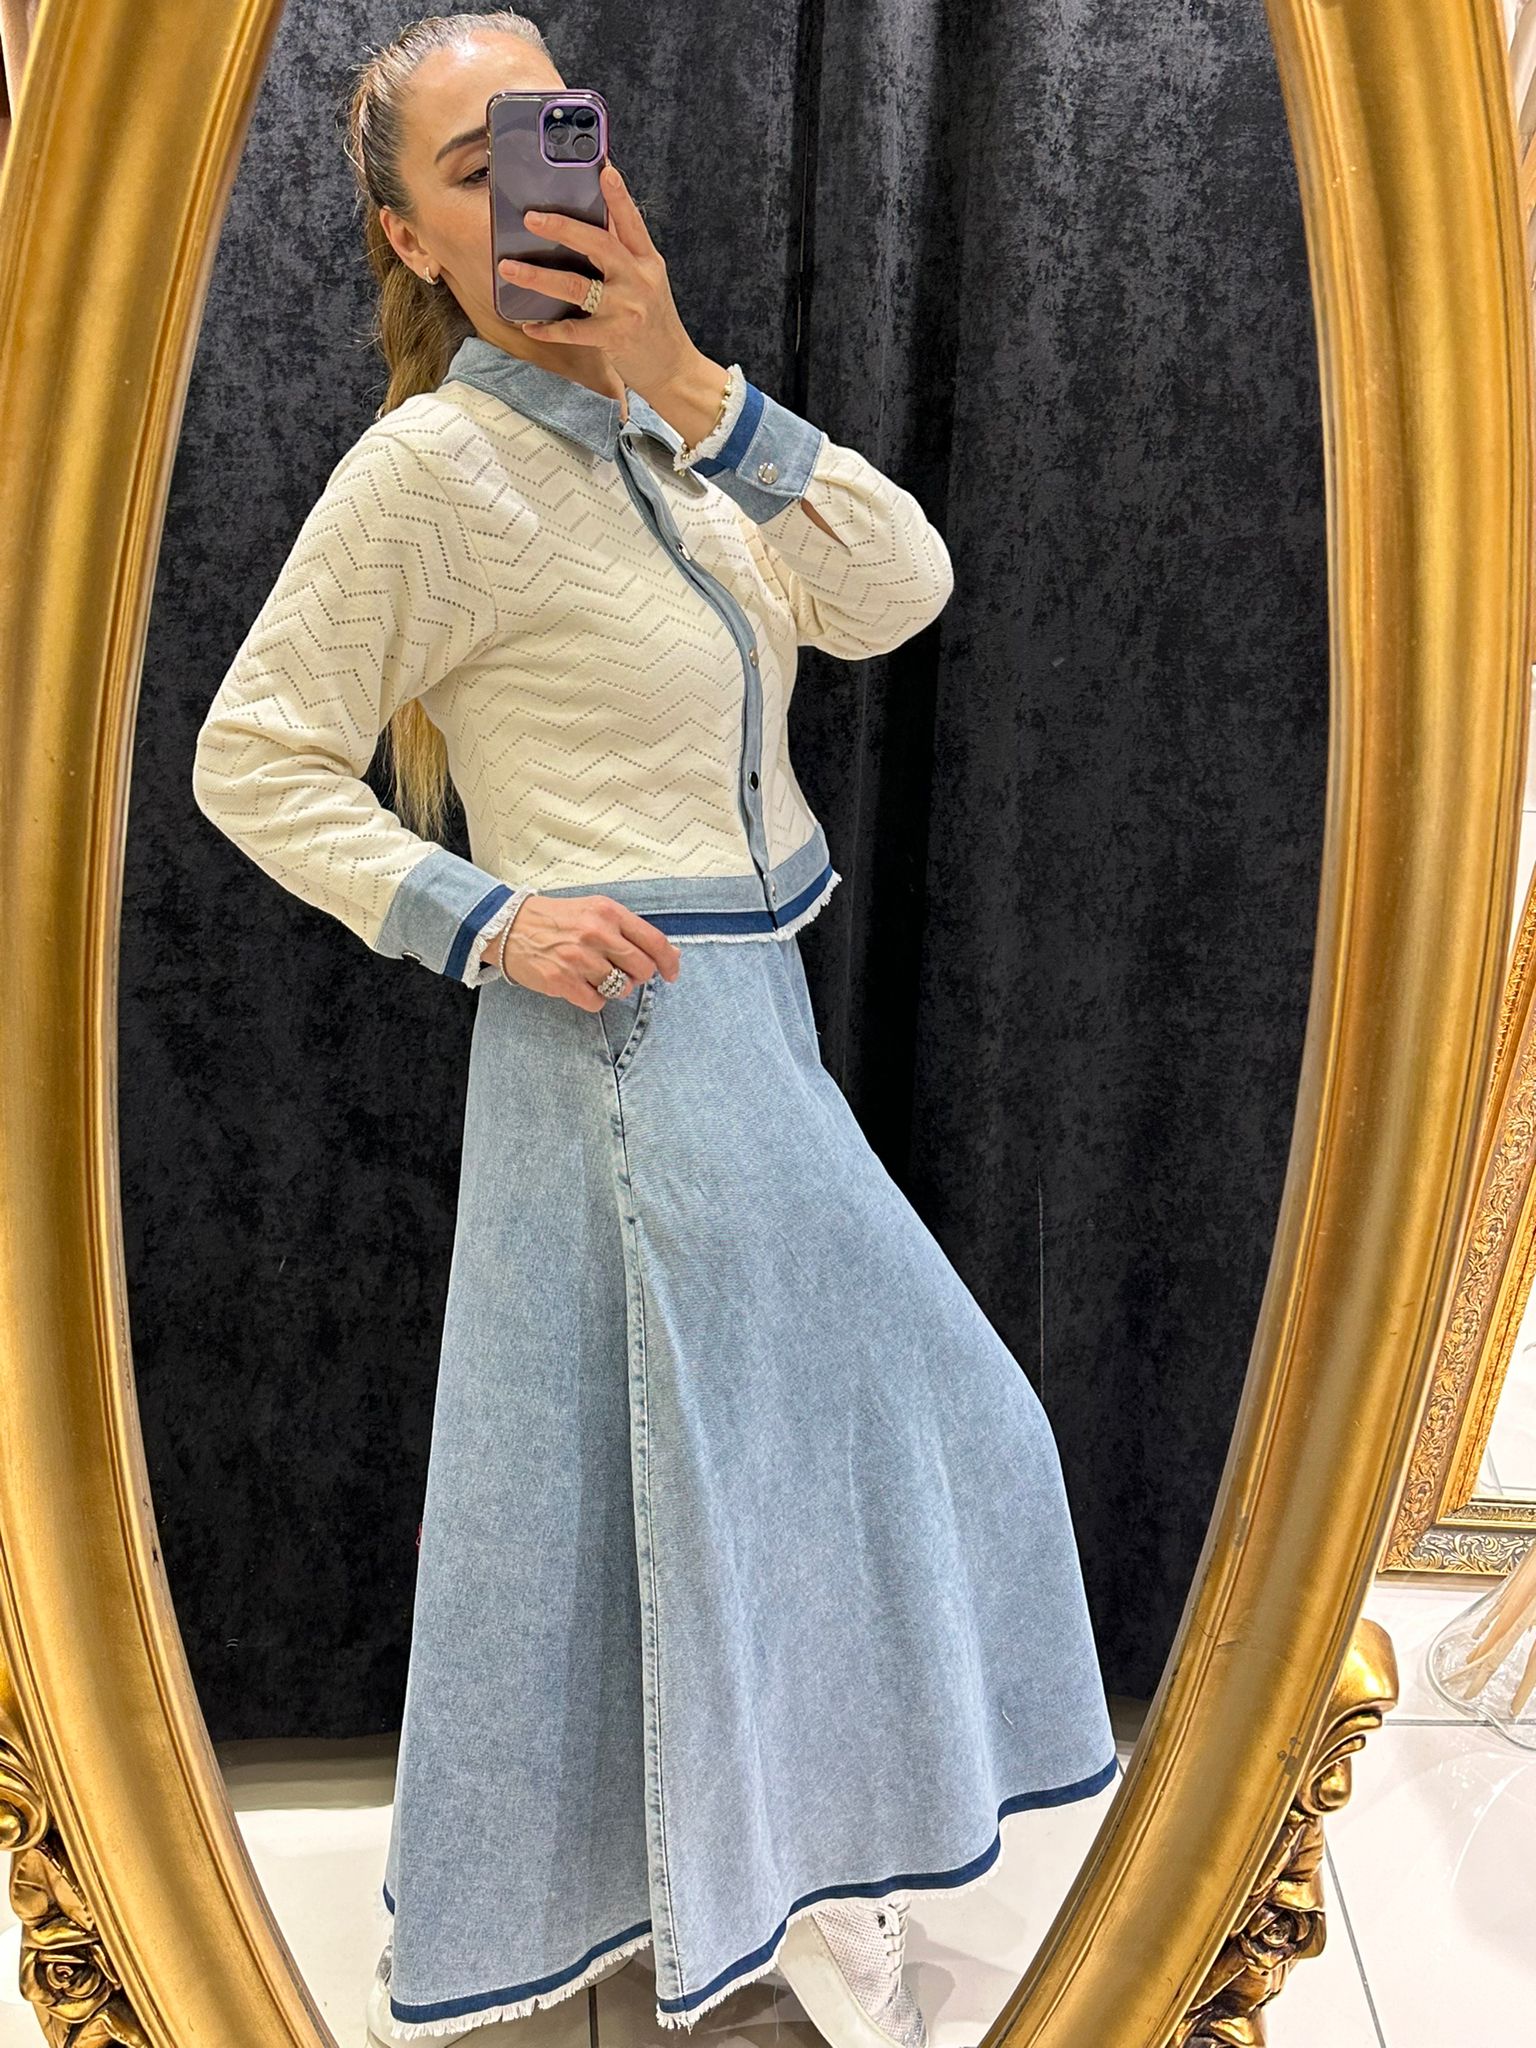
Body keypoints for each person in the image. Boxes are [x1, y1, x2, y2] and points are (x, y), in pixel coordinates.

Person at [190, 12, 1122, 2047]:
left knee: (687, 1480)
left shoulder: (678, 437)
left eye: (555, 130)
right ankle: (794, 1878)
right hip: (628, 1046)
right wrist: (480, 915)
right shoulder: (430, 472)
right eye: (475, 167)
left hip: (743, 1015)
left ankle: (748, 1873)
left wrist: (690, 378)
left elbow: (897, 589)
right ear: (413, 238)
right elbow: (251, 754)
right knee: (889, 1434)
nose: (538, 183)